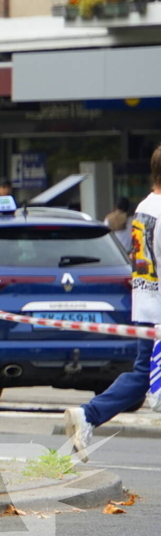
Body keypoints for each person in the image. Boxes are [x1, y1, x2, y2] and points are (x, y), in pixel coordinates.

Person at [65, 147, 161, 462]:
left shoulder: (145, 208)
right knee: (142, 376)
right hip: (158, 310)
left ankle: (89, 415)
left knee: (141, 376)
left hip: (146, 303)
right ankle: (89, 414)